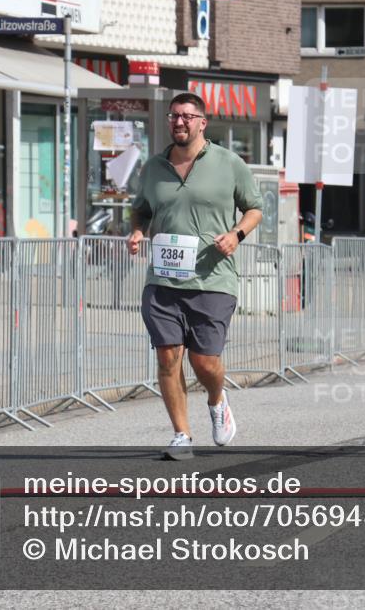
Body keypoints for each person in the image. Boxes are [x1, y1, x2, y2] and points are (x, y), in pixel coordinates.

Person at [127, 92, 263, 461]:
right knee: (168, 357)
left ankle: (218, 400)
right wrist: (138, 231)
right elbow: (139, 210)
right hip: (163, 281)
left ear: (203, 122)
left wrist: (236, 235)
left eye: (187, 116)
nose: (179, 122)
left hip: (213, 279)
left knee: (204, 362)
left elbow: (254, 208)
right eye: (174, 116)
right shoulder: (153, 167)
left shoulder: (229, 163)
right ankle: (181, 435)